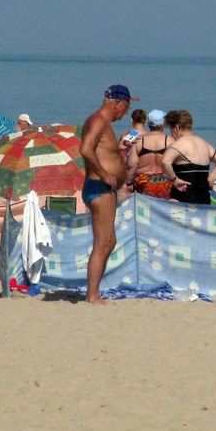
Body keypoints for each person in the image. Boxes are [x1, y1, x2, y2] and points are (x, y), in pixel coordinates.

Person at [80, 84, 134, 305]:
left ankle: (95, 293)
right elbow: (85, 149)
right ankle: (92, 295)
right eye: (126, 107)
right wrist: (103, 174)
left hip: (104, 188)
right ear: (117, 103)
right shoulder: (98, 121)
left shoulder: (104, 124)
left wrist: (119, 151)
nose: (126, 112)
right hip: (99, 188)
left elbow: (100, 151)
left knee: (109, 241)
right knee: (103, 243)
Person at [160, 110, 216, 205]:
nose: (172, 134)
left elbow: (165, 162)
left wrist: (174, 179)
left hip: (182, 200)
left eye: (171, 130)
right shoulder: (204, 144)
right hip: (203, 200)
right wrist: (211, 179)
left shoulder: (177, 145)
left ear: (176, 128)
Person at [127, 109, 172, 199]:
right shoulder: (170, 140)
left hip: (143, 181)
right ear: (163, 124)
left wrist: (128, 183)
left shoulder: (138, 140)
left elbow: (132, 165)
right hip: (165, 181)